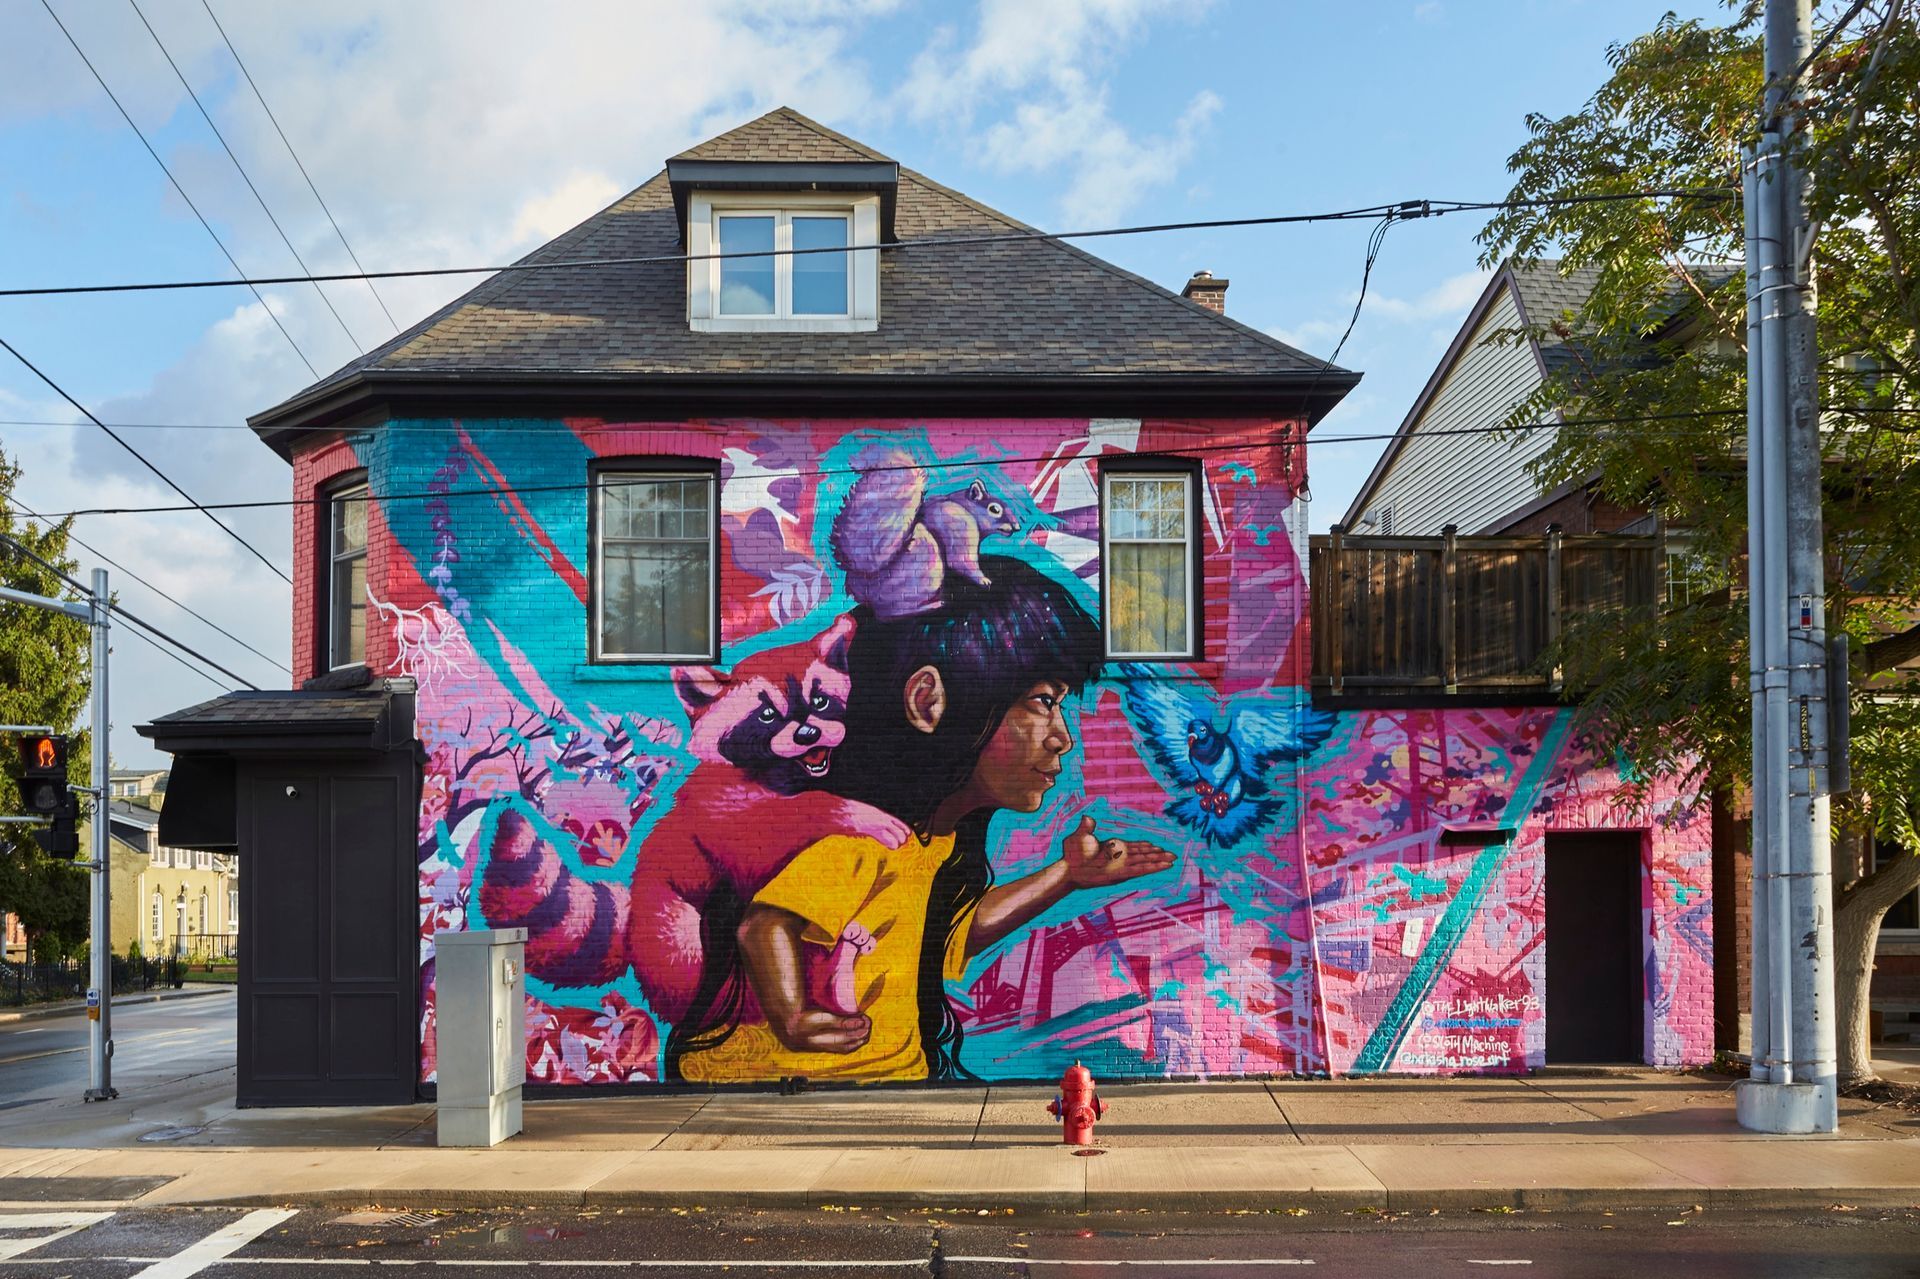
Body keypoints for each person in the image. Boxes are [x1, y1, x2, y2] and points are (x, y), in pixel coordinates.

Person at [673, 556, 1175, 1082]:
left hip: (883, 1082)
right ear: (927, 700)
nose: (1062, 737)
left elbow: (947, 937)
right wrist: (793, 1018)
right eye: (1042, 702)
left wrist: (1067, 875)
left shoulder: (928, 843)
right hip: (812, 1086)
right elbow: (763, 925)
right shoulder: (863, 842)